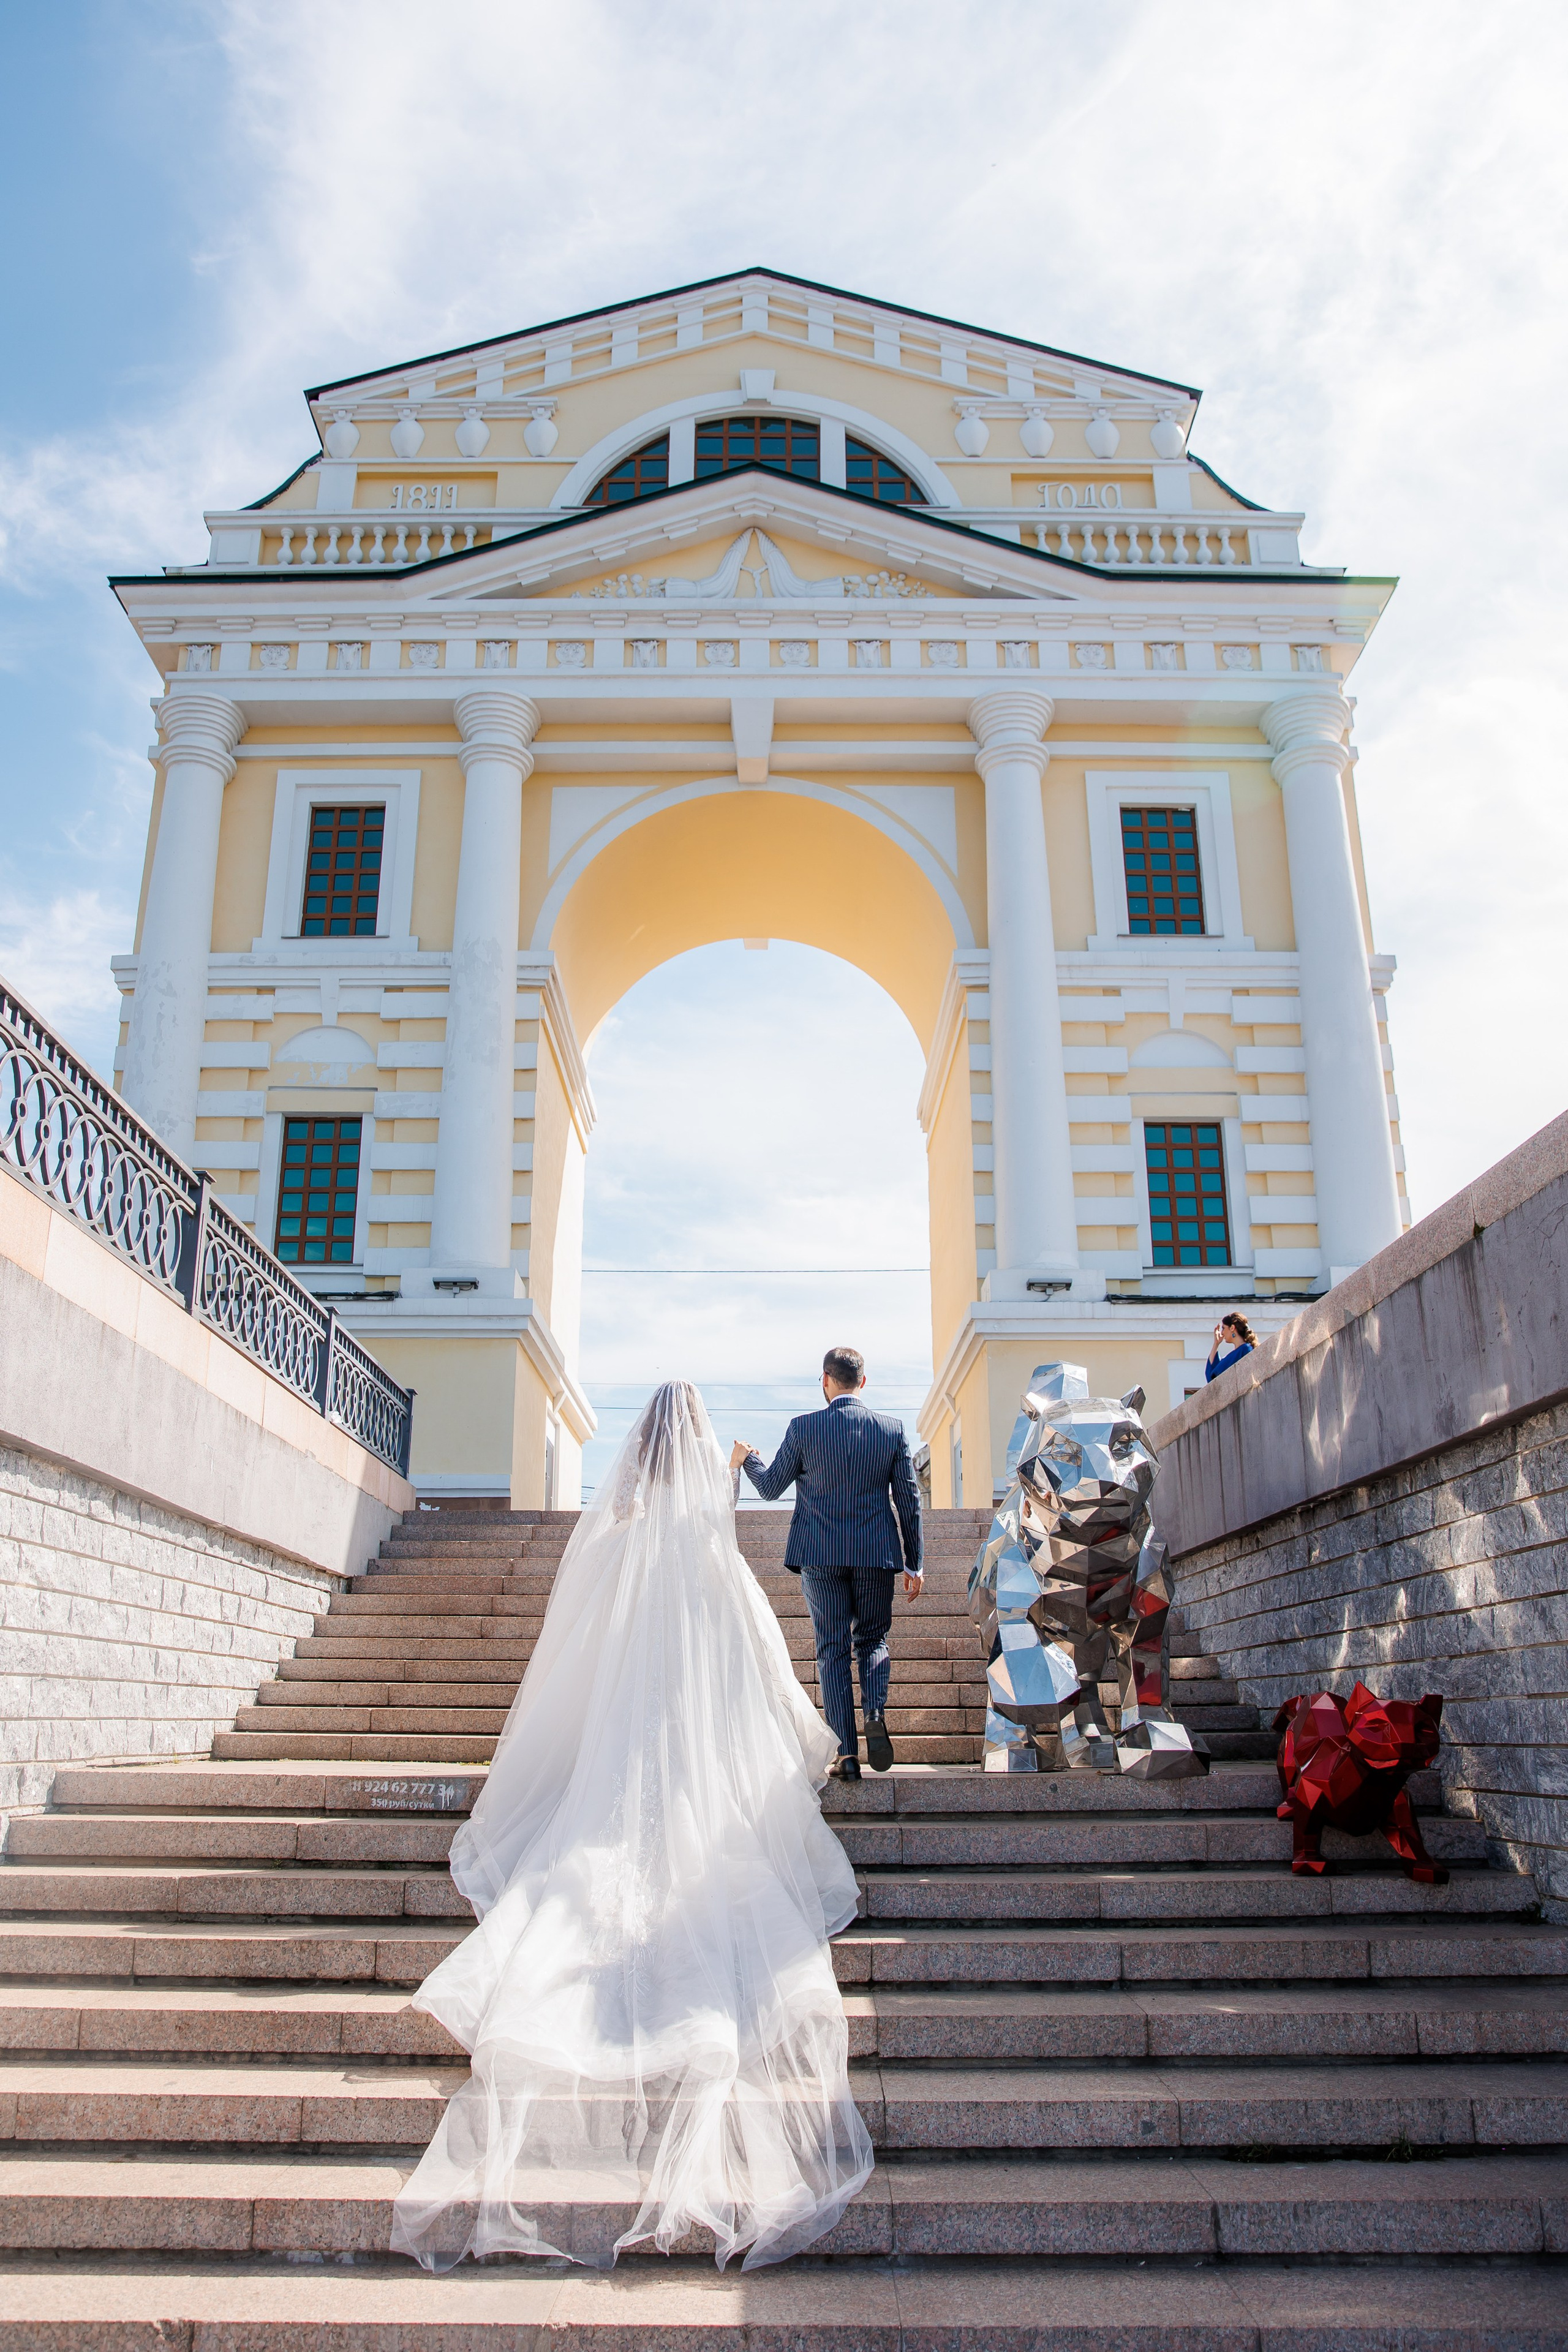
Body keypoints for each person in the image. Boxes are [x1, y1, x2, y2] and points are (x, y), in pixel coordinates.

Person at [390, 1381, 872, 2274]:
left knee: (611, 1787)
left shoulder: (628, 1528)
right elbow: (748, 1649)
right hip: (695, 1724)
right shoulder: (705, 1539)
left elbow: (591, 1594)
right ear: (699, 1443)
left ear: (643, 1442)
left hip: (629, 1711)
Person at [731, 1346, 923, 1782]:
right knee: (872, 1640)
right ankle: (873, 1711)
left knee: (832, 1650)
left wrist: (750, 1460)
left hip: (820, 1555)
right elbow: (909, 1501)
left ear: (825, 1380)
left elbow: (770, 1488)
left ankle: (847, 1756)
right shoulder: (891, 1430)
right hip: (876, 1554)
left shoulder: (803, 1429)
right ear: (863, 1382)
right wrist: (915, 1563)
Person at [1205, 1311, 1257, 1382]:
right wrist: (1216, 1344)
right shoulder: (1231, 1356)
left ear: (1232, 1328)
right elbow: (1210, 1375)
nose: (1222, 1333)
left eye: (1223, 1328)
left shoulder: (1245, 1349)